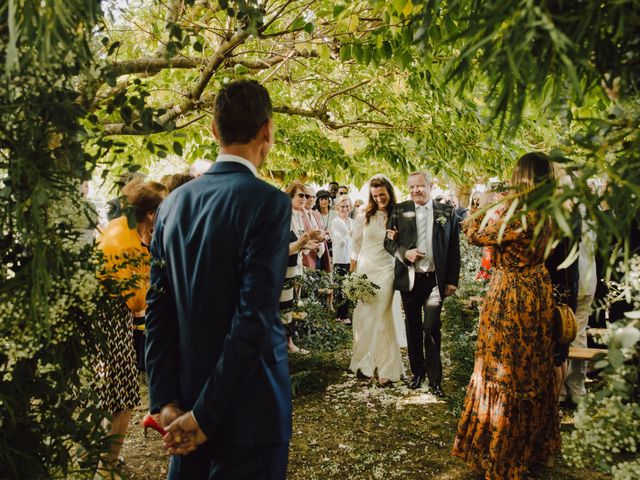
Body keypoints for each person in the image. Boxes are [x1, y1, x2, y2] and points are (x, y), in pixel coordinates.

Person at [145, 80, 292, 480]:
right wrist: (204, 417)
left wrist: (167, 402)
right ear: (267, 130)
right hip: (252, 409)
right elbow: (254, 319)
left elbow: (157, 310)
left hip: (186, 405)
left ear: (213, 131)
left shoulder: (173, 204)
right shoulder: (270, 203)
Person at [452, 152, 560, 479]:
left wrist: (480, 204)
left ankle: (504, 454)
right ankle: (536, 449)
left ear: (521, 177)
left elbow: (472, 233)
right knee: (533, 367)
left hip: (511, 294)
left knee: (504, 370)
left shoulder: (516, 213)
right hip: (539, 291)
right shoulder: (552, 211)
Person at [96, 180, 166, 477]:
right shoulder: (128, 243)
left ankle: (105, 460)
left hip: (103, 319)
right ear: (151, 213)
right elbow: (138, 301)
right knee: (122, 398)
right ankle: (106, 466)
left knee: (113, 396)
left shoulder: (116, 226)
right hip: (112, 320)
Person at [384, 171, 461, 395]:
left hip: (435, 280)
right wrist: (404, 253)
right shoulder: (400, 210)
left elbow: (454, 248)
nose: (416, 190)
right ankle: (418, 372)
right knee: (413, 327)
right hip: (410, 279)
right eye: (412, 187)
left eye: (420, 186)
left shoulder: (446, 212)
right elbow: (388, 243)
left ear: (430, 186)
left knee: (431, 327)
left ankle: (435, 379)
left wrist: (452, 280)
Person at [349, 175, 404, 387]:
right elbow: (356, 245)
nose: (380, 198)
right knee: (364, 316)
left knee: (382, 316)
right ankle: (365, 364)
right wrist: (353, 276)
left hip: (386, 271)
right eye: (375, 195)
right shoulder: (364, 214)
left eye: (382, 194)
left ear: (389, 192)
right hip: (365, 270)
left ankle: (386, 369)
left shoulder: (398, 214)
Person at [330, 194, 354, 324]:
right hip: (340, 259)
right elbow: (339, 242)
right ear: (338, 208)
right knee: (341, 287)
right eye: (342, 207)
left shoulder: (352, 222)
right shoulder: (335, 222)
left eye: (347, 206)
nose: (345, 209)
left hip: (350, 259)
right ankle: (340, 315)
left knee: (348, 287)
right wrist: (349, 234)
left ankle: (345, 313)